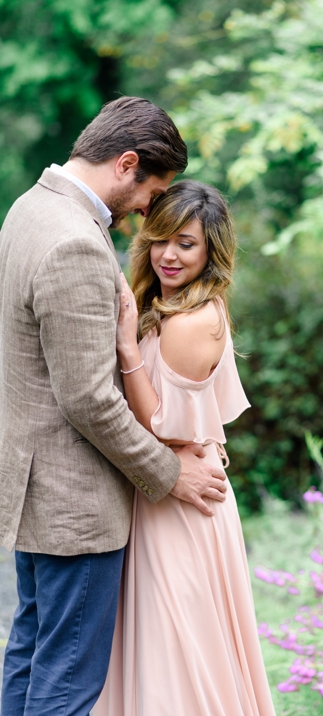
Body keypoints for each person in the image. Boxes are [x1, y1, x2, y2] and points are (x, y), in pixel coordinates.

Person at [0, 97, 228, 716]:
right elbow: (89, 401)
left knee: (30, 657)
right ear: (126, 164)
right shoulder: (75, 241)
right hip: (75, 506)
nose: (149, 210)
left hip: (34, 492)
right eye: (152, 192)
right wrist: (169, 472)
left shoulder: (28, 210)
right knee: (67, 686)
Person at [93, 180, 274, 715]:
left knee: (178, 655)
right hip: (164, 494)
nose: (169, 254)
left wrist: (126, 346)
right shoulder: (165, 306)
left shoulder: (193, 321)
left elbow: (156, 424)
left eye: (186, 243)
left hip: (181, 507)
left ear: (210, 251)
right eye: (161, 239)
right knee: (161, 650)